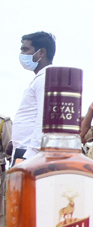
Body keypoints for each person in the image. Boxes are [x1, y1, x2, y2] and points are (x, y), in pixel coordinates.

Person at [10, 31, 55, 163]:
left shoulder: (45, 79)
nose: (22, 54)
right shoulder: (40, 78)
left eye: (25, 49)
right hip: (23, 150)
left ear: (41, 52)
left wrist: (30, 155)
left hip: (28, 154)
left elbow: (43, 119)